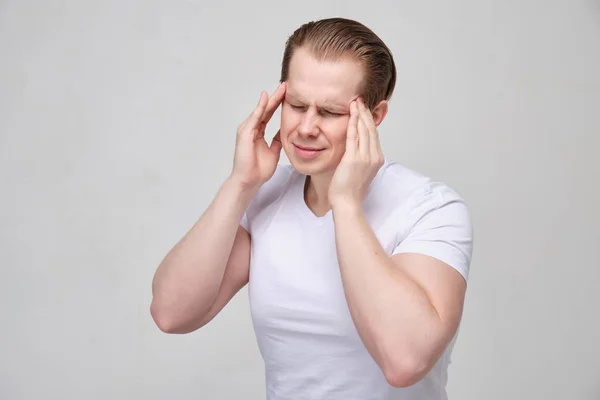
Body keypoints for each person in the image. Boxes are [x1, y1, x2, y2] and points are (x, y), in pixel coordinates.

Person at [150, 17, 473, 400]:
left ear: (375, 116)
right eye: (296, 104)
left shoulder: (431, 208)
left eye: (331, 113)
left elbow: (404, 361)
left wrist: (346, 204)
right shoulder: (267, 196)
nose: (305, 127)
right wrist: (240, 184)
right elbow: (171, 313)